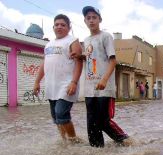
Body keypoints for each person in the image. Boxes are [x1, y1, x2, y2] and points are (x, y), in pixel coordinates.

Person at [79, 6, 130, 147]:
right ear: (84, 21)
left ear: (99, 19)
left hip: (105, 87)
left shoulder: (106, 36)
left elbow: (113, 60)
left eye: (94, 17)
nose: (91, 20)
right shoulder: (86, 40)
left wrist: (104, 80)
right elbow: (92, 58)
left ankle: (125, 140)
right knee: (91, 123)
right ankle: (97, 153)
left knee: (103, 121)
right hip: (90, 88)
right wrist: (80, 56)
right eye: (88, 18)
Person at [33, 14, 83, 143]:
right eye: (57, 25)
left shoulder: (73, 41)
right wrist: (37, 82)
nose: (59, 27)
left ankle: (73, 141)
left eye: (63, 25)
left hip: (67, 85)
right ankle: (64, 141)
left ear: (69, 27)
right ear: (53, 27)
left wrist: (74, 82)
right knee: (56, 118)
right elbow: (44, 64)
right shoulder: (48, 44)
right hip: (52, 86)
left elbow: (79, 62)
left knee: (61, 114)